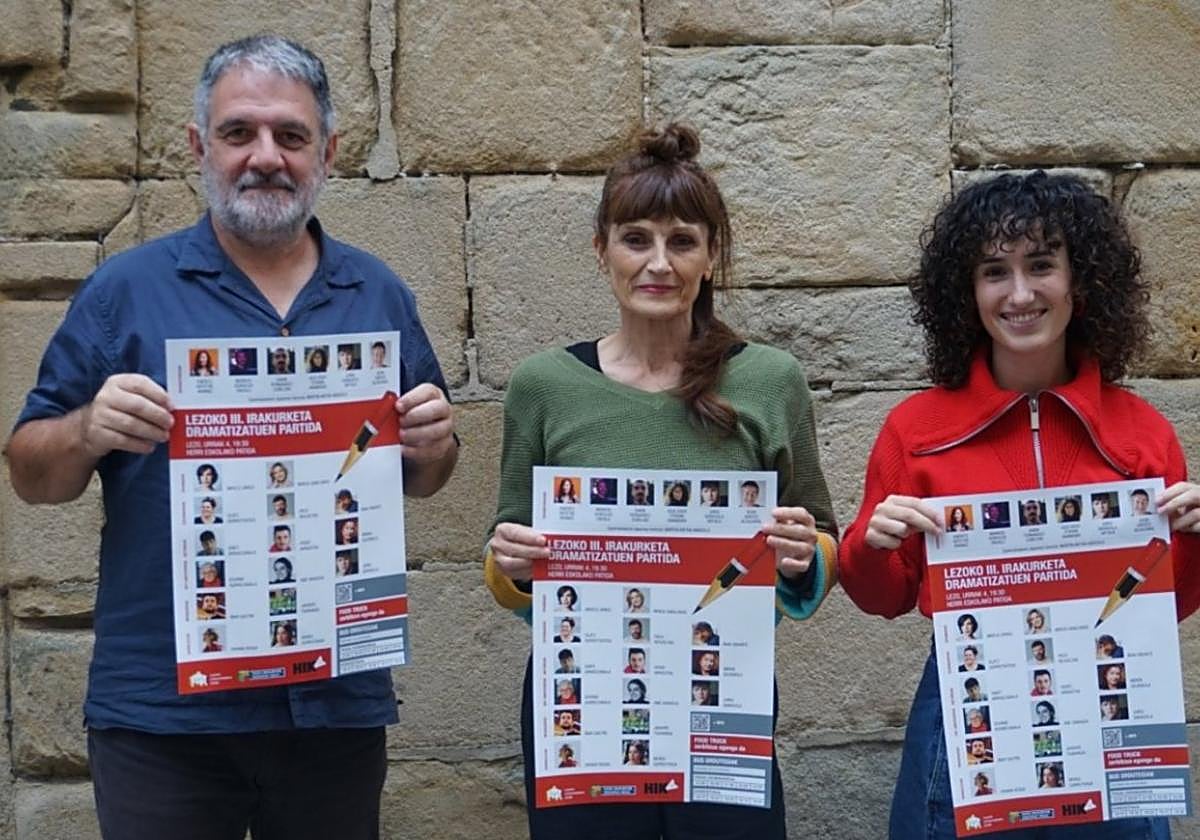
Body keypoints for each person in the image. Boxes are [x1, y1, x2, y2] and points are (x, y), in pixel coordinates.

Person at [4, 35, 459, 840]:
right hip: (164, 715)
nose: (265, 158)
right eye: (238, 132)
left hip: (332, 704)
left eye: (290, 136)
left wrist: (432, 448)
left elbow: (424, 475)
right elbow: (32, 473)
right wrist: (86, 428)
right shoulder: (126, 291)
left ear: (328, 152)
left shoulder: (375, 293)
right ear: (197, 147)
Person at [485, 125, 838, 839]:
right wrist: (511, 567)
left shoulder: (770, 381)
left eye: (682, 241)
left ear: (711, 257)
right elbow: (504, 552)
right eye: (635, 238)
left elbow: (822, 536)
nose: (658, 262)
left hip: (721, 690)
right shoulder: (543, 386)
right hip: (582, 698)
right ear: (600, 250)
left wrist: (806, 557)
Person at [837, 171, 1200, 840]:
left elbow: (1167, 605)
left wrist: (1197, 538)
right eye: (994, 272)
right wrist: (869, 544)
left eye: (1041, 266)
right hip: (971, 703)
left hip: (1109, 709)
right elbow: (882, 596)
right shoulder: (914, 430)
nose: (1020, 293)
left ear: (1082, 279)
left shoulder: (1143, 432)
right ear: (967, 293)